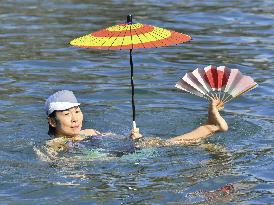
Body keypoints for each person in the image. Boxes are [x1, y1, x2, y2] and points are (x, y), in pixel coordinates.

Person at [44, 90, 228, 153]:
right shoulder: (55, 144)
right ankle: (210, 127)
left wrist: (130, 137)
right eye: (67, 114)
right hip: (113, 160)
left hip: (122, 152)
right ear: (52, 122)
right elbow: (48, 160)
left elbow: (118, 140)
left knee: (161, 143)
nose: (75, 118)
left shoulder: (90, 132)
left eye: (77, 111)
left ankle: (211, 127)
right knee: (168, 145)